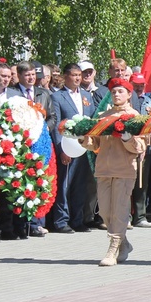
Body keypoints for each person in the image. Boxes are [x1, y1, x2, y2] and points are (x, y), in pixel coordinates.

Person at [80, 78, 146, 266]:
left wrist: (128, 138)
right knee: (106, 212)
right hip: (103, 169)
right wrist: (82, 139)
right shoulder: (102, 116)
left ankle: (113, 246)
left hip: (124, 169)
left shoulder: (134, 116)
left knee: (120, 209)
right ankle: (123, 244)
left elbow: (140, 146)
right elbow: (95, 144)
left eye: (121, 91)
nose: (117, 95)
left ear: (129, 94)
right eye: (114, 91)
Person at [50, 63, 97, 234]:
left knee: (80, 184)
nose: (77, 78)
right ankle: (61, 220)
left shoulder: (86, 95)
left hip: (83, 147)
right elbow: (56, 125)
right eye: (74, 75)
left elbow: (91, 120)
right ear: (65, 76)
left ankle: (78, 219)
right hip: (67, 147)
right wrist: (62, 149)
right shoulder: (58, 97)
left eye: (79, 75)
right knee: (65, 185)